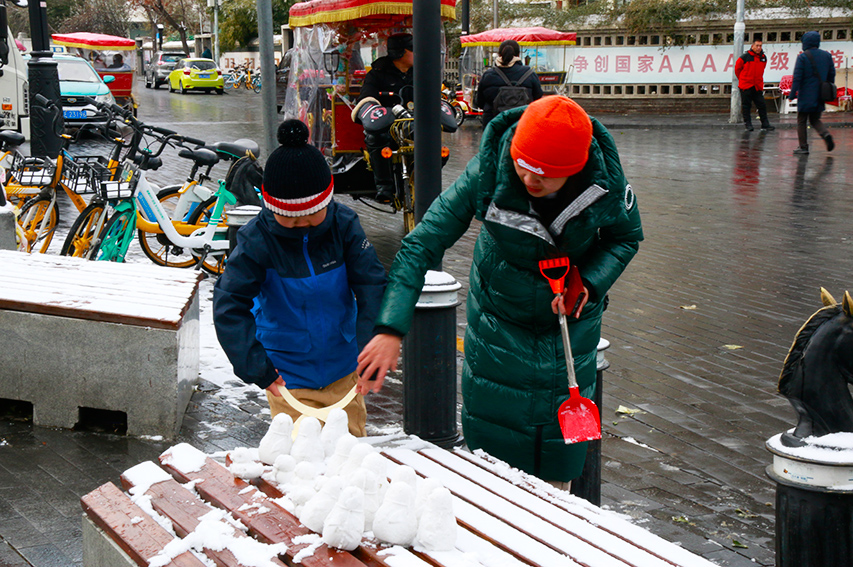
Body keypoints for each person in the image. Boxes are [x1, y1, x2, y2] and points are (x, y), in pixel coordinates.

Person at [356, 96, 643, 486]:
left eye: (543, 174)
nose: (528, 179)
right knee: (495, 463)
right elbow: (421, 243)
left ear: (574, 170)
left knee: (558, 471)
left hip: (569, 328)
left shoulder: (606, 182)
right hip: (498, 325)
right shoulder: (489, 170)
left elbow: (625, 238)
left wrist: (588, 281)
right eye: (523, 164)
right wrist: (391, 327)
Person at [213, 119, 387, 437]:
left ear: (327, 201)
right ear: (272, 207)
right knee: (301, 458)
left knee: (348, 452)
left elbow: (372, 286)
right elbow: (229, 302)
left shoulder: (344, 225)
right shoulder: (257, 240)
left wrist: (368, 352)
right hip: (287, 375)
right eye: (290, 217)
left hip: (345, 369)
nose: (303, 223)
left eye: (312, 214)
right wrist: (257, 367)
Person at [357, 33, 414, 204]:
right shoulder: (377, 74)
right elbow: (366, 98)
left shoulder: (422, 71)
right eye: (413, 49)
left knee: (435, 143)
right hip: (387, 127)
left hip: (413, 124)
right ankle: (384, 188)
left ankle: (425, 180)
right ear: (400, 53)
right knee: (375, 136)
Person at [476, 39, 542, 128]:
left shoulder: (488, 75)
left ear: (500, 55)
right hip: (521, 125)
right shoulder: (529, 74)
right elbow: (538, 99)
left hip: (494, 126)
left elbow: (479, 102)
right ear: (518, 55)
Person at [788, 31, 835, 155]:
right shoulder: (827, 56)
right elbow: (831, 75)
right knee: (815, 119)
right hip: (820, 93)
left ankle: (803, 147)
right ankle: (825, 134)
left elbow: (797, 78)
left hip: (806, 94)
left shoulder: (803, 57)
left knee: (802, 120)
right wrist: (827, 88)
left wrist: (792, 95)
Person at [734, 39, 775, 132]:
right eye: (757, 45)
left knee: (762, 105)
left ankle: (765, 124)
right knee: (746, 106)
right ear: (752, 46)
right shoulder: (744, 57)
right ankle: (748, 124)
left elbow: (762, 69)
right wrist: (743, 79)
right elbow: (737, 70)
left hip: (757, 85)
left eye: (760, 46)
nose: (759, 48)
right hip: (746, 85)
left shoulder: (763, 57)